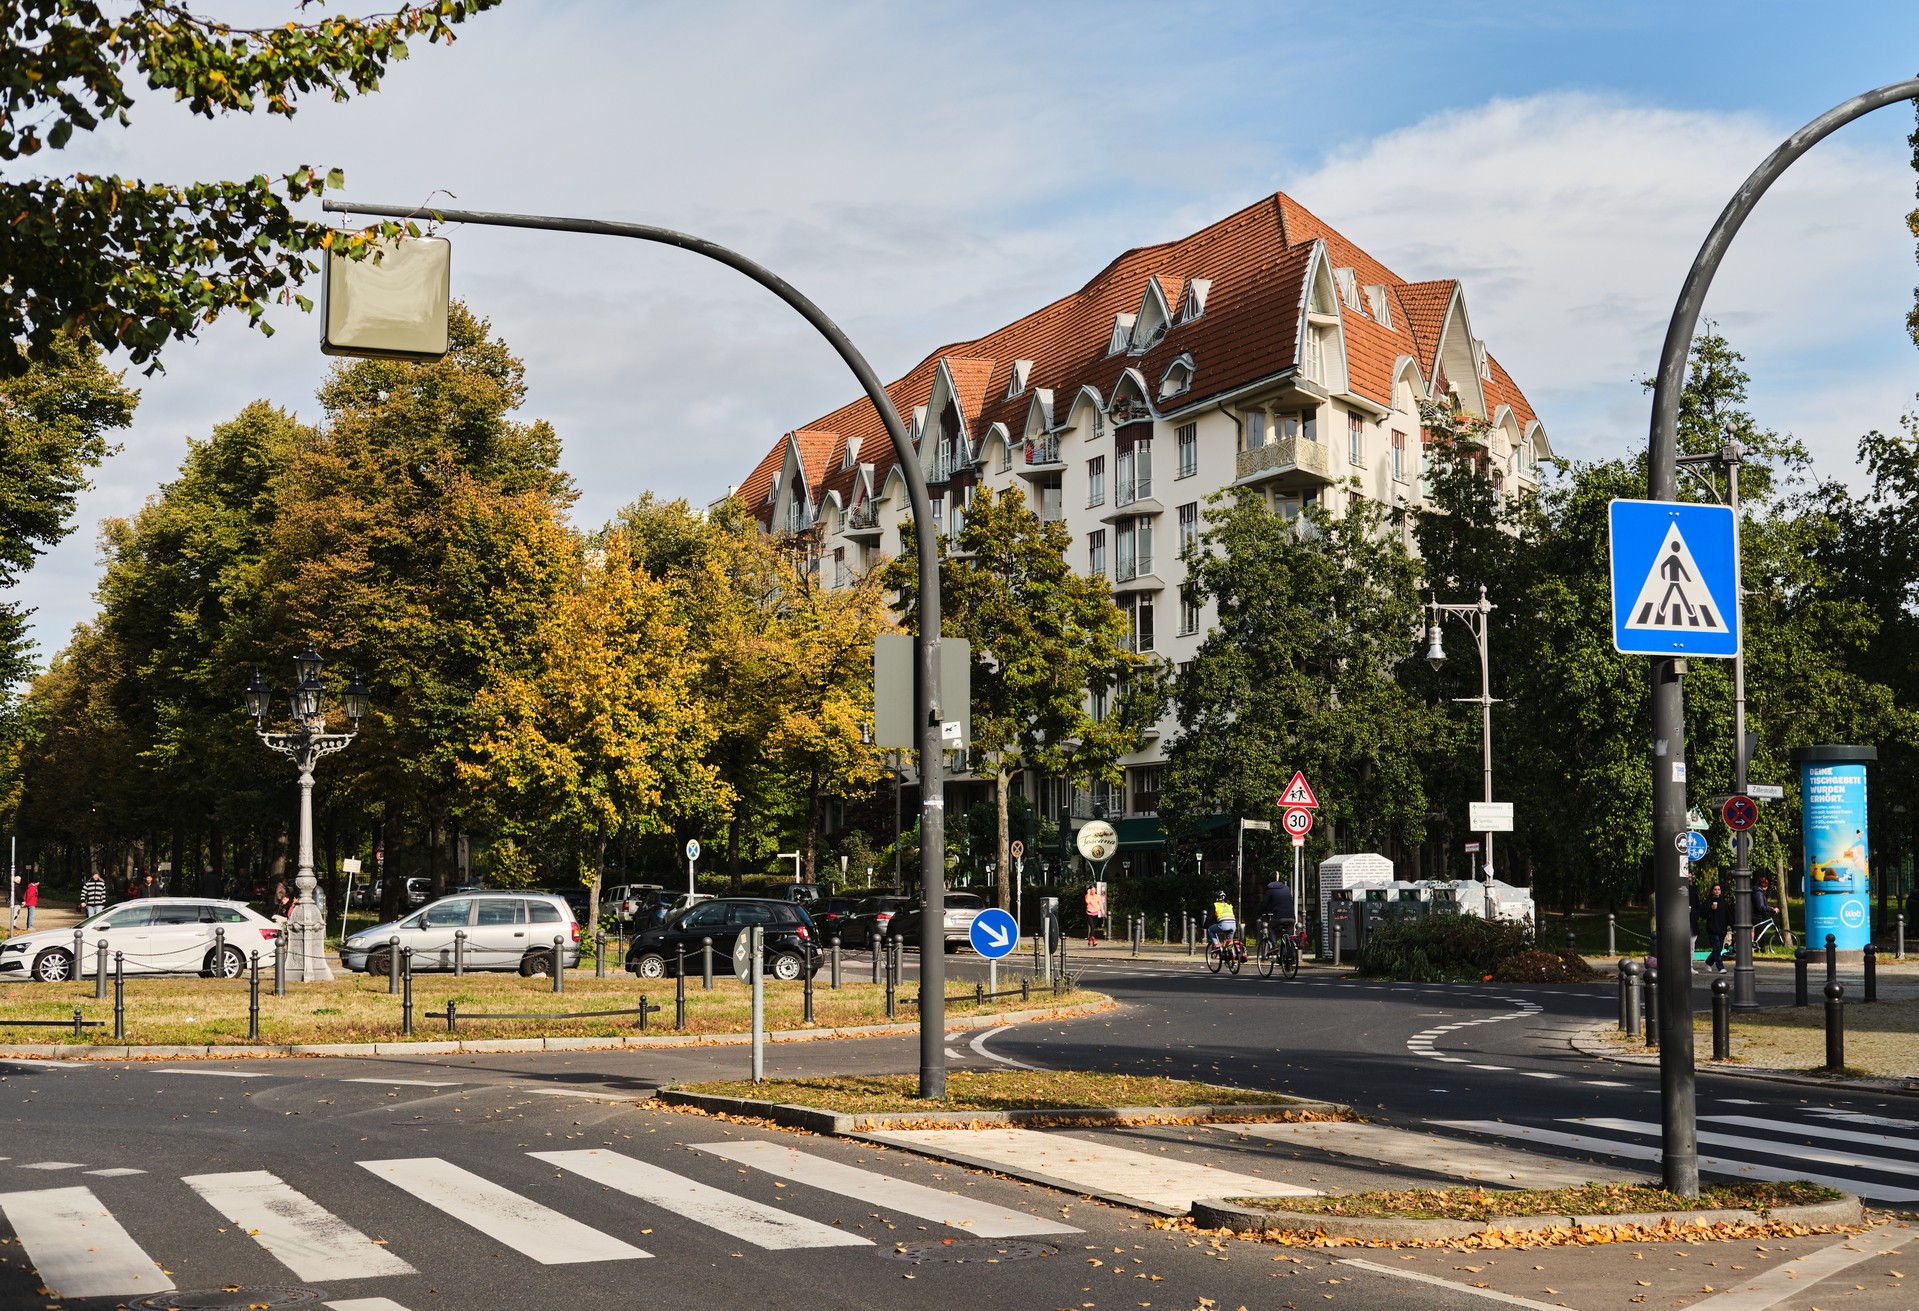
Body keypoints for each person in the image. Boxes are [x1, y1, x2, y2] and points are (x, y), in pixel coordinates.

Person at [1702, 880, 1731, 973]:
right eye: (1715, 889)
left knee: (1718, 948)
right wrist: (1711, 909)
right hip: (1712, 929)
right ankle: (1720, 967)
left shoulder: (1724, 903)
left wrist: (1733, 927)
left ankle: (1708, 962)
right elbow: (1703, 914)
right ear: (1712, 891)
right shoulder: (1708, 902)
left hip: (1722, 929)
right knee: (1717, 947)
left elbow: (1729, 915)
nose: (1717, 891)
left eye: (1719, 889)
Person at [1258, 875, 1296, 944]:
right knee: (1289, 937)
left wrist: (1259, 914)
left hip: (1279, 916)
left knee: (1271, 927)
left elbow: (1264, 904)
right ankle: (1291, 948)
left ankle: (1274, 945)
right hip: (1291, 916)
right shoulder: (1286, 889)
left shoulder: (1270, 890)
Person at [1206, 892, 1240, 956]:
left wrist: (1205, 926)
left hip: (1224, 925)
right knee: (1229, 942)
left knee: (1210, 929)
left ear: (1216, 898)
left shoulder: (1215, 905)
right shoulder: (1229, 904)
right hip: (1233, 925)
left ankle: (1216, 945)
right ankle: (1232, 959)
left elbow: (1209, 918)